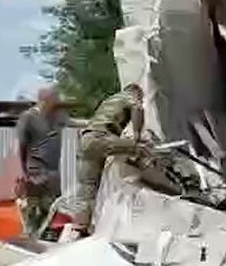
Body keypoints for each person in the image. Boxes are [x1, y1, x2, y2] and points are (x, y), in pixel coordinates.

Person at [71, 84, 146, 232]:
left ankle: (80, 225)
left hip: (86, 140)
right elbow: (137, 108)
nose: (141, 100)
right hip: (102, 137)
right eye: (141, 97)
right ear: (136, 92)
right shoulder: (130, 96)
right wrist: (137, 135)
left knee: (87, 186)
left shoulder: (110, 100)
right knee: (142, 149)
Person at [14, 87, 68, 239]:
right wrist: (23, 173)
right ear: (44, 100)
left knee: (51, 212)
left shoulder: (57, 117)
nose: (57, 103)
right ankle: (30, 240)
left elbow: (74, 123)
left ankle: (46, 240)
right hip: (35, 171)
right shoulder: (28, 118)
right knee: (32, 212)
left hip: (52, 173)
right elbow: (21, 146)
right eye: (55, 100)